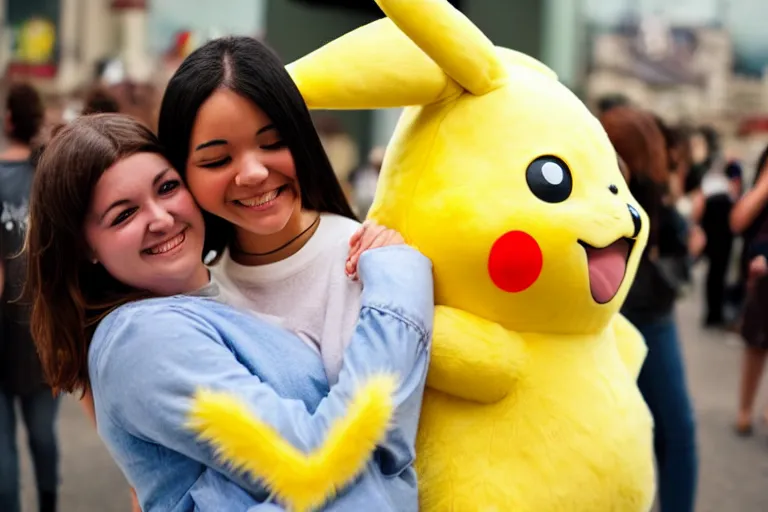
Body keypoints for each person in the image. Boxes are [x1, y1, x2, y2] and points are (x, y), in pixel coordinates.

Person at [27, 114, 433, 511]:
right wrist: (397, 272)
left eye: (167, 187)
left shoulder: (205, 302)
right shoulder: (140, 337)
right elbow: (312, 458)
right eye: (124, 215)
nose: (161, 218)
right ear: (86, 249)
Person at [158, 36, 368, 386]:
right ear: (182, 174)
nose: (253, 173)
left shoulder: (364, 255)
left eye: (273, 143)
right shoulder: (195, 290)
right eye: (217, 160)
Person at [599, 106, 698, 512]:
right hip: (648, 315)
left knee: (608, 431)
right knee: (676, 432)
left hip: (603, 310)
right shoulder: (648, 189)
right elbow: (676, 241)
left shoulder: (596, 176)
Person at [0, 82, 59, 512]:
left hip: (27, 338)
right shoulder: (50, 171)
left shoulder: (46, 171)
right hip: (41, 335)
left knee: (7, 462)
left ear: (7, 118)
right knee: (41, 439)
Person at [730, 144, 768, 436]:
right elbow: (738, 221)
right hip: (761, 281)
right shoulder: (759, 191)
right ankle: (745, 409)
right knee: (756, 345)